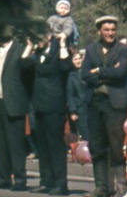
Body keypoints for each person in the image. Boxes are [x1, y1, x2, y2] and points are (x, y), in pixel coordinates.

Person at [82, 14, 127, 197]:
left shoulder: (123, 49)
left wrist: (99, 71)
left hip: (115, 104)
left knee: (116, 146)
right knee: (97, 145)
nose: (110, 33)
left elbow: (122, 73)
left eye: (113, 30)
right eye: (106, 30)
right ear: (99, 31)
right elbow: (84, 74)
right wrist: (108, 71)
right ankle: (102, 187)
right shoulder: (91, 49)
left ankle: (121, 188)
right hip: (95, 102)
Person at [21, 31, 71, 195]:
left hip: (54, 106)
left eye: (40, 36)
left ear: (49, 36)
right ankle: (46, 181)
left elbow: (66, 66)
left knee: (55, 146)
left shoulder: (58, 52)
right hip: (39, 106)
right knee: (42, 146)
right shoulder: (36, 55)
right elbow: (22, 65)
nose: (37, 40)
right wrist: (29, 46)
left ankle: (60, 184)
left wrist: (63, 43)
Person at [0, 24, 32, 191]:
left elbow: (26, 69)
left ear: (3, 34)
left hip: (13, 103)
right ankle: (3, 178)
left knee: (15, 144)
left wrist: (29, 48)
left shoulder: (19, 50)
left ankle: (20, 180)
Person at [66, 49, 88, 142]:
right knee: (84, 133)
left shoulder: (87, 71)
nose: (78, 61)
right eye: (75, 59)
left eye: (79, 58)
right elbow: (70, 94)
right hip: (80, 109)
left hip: (91, 106)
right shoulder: (71, 75)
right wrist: (73, 111)